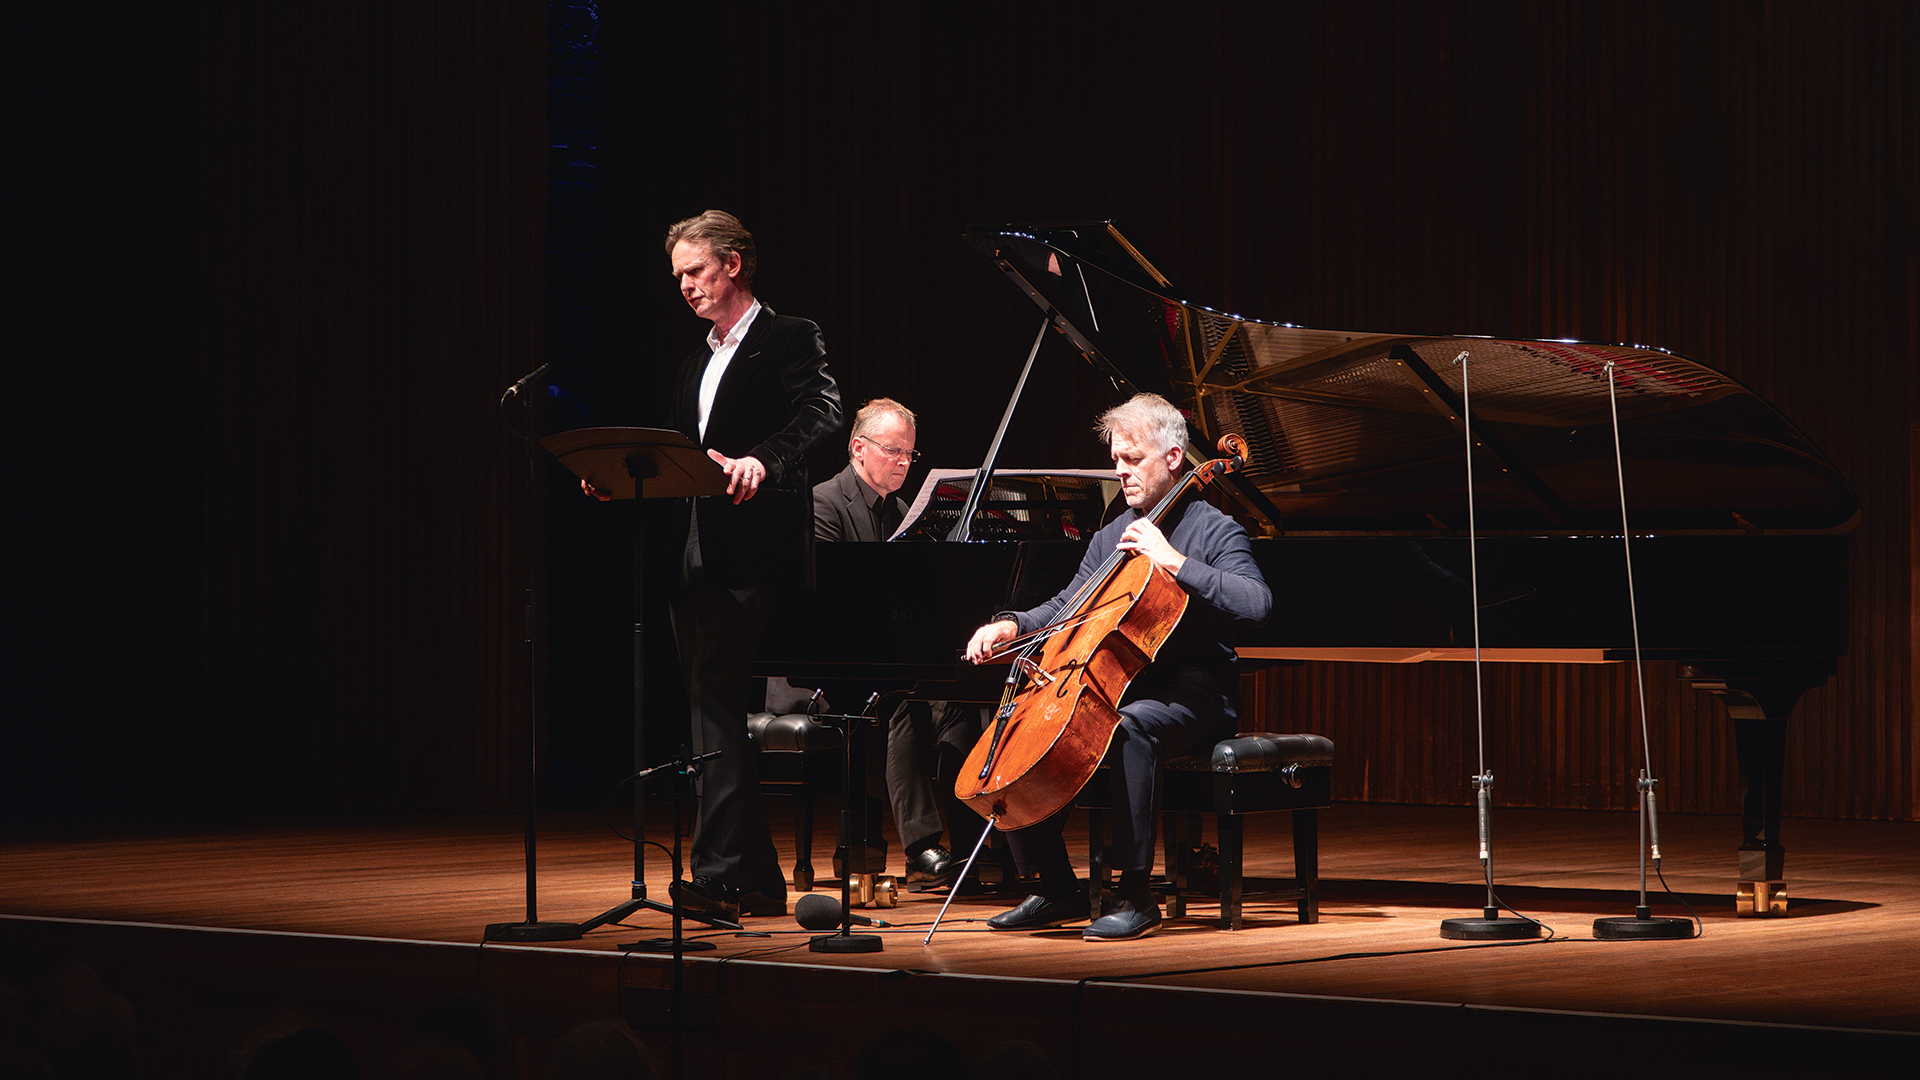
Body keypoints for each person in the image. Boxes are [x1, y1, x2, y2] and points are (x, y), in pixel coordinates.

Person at [586, 210, 841, 918]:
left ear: (733, 265)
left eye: (695, 272)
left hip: (750, 550)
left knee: (715, 699)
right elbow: (680, 448)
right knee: (710, 706)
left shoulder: (789, 337)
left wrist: (766, 458)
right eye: (678, 278)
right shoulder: (697, 357)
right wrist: (621, 475)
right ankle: (753, 878)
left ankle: (724, 869)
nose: (686, 287)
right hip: (691, 549)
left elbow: (823, 413)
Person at [962, 393, 1270, 940]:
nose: (1121, 471)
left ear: (1174, 457)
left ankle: (1136, 895)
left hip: (1194, 694)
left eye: (1134, 458)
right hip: (1118, 686)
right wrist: (1011, 624)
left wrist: (1173, 561)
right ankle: (1055, 885)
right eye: (1116, 460)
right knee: (1017, 729)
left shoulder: (1214, 530)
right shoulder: (1112, 535)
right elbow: (1068, 605)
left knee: (1130, 730)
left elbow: (1255, 603)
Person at [811, 398, 983, 886]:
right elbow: (829, 602)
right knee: (906, 699)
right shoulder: (824, 502)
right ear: (857, 449)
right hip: (829, 665)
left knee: (958, 699)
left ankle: (970, 845)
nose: (905, 463)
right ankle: (923, 844)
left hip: (886, 656)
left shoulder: (906, 512)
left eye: (910, 454)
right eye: (893, 452)